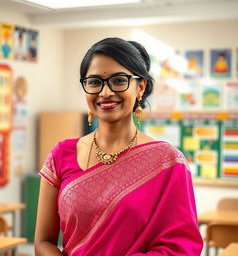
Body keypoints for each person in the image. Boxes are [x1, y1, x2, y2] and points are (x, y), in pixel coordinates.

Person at [34, 37, 203, 256]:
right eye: (94, 82)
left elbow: (181, 248)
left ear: (140, 87)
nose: (105, 92)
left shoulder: (168, 162)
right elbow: (43, 242)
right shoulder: (61, 155)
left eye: (119, 80)